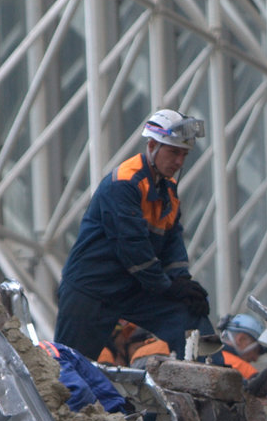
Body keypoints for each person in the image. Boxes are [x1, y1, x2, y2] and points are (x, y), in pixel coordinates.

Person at [53, 110, 210, 355]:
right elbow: (133, 250)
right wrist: (169, 287)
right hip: (92, 289)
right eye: (174, 152)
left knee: (188, 314)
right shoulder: (124, 183)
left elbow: (172, 241)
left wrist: (182, 280)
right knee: (70, 365)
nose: (179, 161)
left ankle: (221, 378)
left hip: (131, 287)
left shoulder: (168, 191)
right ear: (152, 146)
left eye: (184, 154)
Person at [207, 312, 267, 396]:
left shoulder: (207, 355)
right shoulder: (241, 368)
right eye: (256, 350)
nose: (255, 359)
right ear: (241, 339)